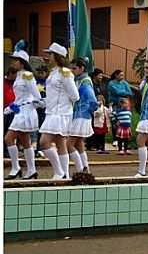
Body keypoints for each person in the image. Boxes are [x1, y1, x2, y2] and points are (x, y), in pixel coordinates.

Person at [38, 43, 80, 179]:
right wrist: (42, 102)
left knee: (44, 142)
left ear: (56, 56)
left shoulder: (65, 73)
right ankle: (65, 174)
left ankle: (59, 172)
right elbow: (53, 95)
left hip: (60, 113)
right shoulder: (53, 72)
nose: (47, 57)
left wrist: (62, 104)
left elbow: (75, 96)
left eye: (50, 54)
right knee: (61, 143)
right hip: (52, 112)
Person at [4, 43, 42, 180]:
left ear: (21, 63)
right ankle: (31, 170)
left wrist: (37, 103)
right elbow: (20, 97)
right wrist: (10, 107)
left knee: (8, 138)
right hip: (20, 111)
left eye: (15, 60)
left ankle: (16, 168)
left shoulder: (27, 76)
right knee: (25, 141)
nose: (13, 62)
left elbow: (35, 95)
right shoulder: (19, 75)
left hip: (26, 111)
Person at [65, 58, 98, 177]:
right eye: (71, 68)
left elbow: (93, 101)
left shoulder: (85, 82)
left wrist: (88, 112)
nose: (72, 71)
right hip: (80, 115)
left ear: (81, 68)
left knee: (68, 145)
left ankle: (81, 171)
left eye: (74, 68)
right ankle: (86, 170)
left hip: (81, 116)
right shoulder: (79, 80)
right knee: (79, 144)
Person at [107, 69, 133, 149]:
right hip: (115, 104)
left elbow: (130, 92)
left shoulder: (125, 83)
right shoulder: (111, 83)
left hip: (124, 105)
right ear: (116, 75)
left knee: (124, 121)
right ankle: (115, 139)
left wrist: (122, 92)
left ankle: (124, 139)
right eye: (120, 75)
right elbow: (117, 92)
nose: (122, 76)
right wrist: (124, 92)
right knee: (115, 121)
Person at [4, 67, 17, 158]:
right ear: (11, 74)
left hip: (13, 110)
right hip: (4, 110)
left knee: (10, 132)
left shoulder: (16, 83)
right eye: (15, 75)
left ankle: (7, 150)